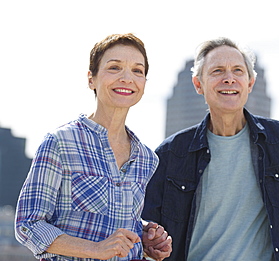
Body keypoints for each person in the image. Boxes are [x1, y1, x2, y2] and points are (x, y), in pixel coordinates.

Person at [142, 37, 279, 261]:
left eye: (238, 71)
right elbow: (150, 234)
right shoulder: (170, 154)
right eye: (217, 71)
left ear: (250, 83)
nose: (229, 79)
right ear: (198, 85)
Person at [15, 33, 172, 261]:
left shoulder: (147, 158)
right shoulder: (60, 142)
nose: (127, 78)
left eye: (137, 71)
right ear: (91, 79)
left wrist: (146, 235)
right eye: (115, 67)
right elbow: (28, 224)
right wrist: (95, 249)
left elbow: (117, 218)